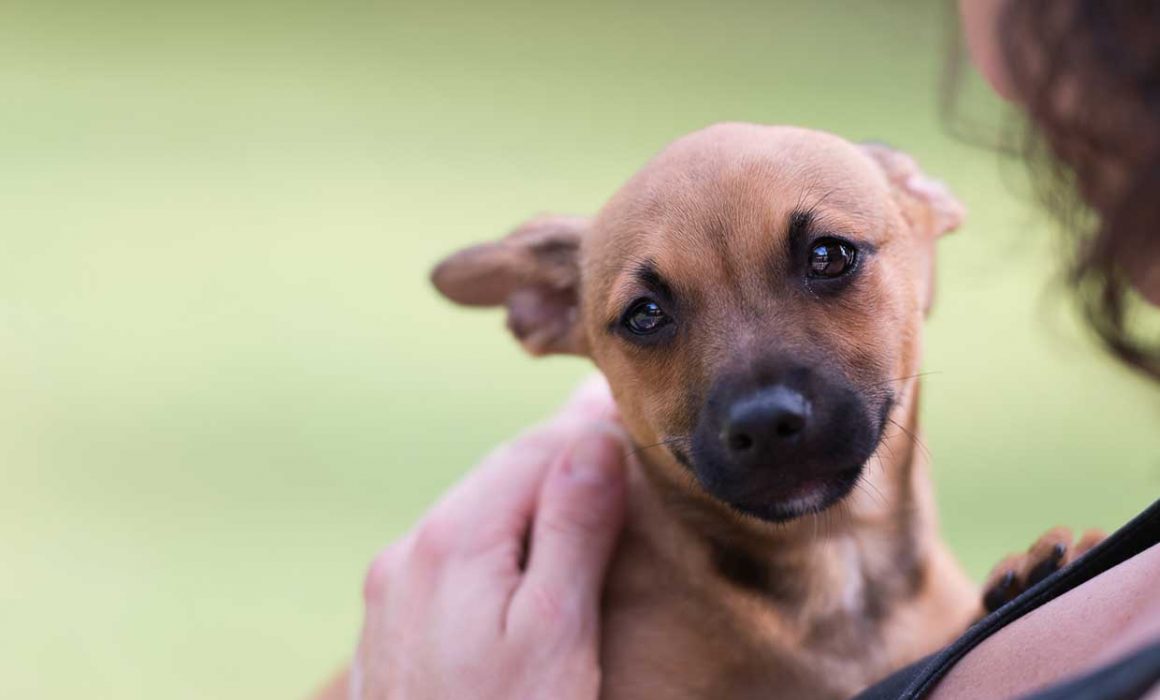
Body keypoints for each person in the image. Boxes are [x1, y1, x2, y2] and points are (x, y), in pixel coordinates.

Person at [344, 1, 1160, 697]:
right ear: (558, 315)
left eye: (829, 260)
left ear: (922, 230)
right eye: (648, 317)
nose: (764, 402)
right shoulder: (553, 640)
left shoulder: (965, 611)